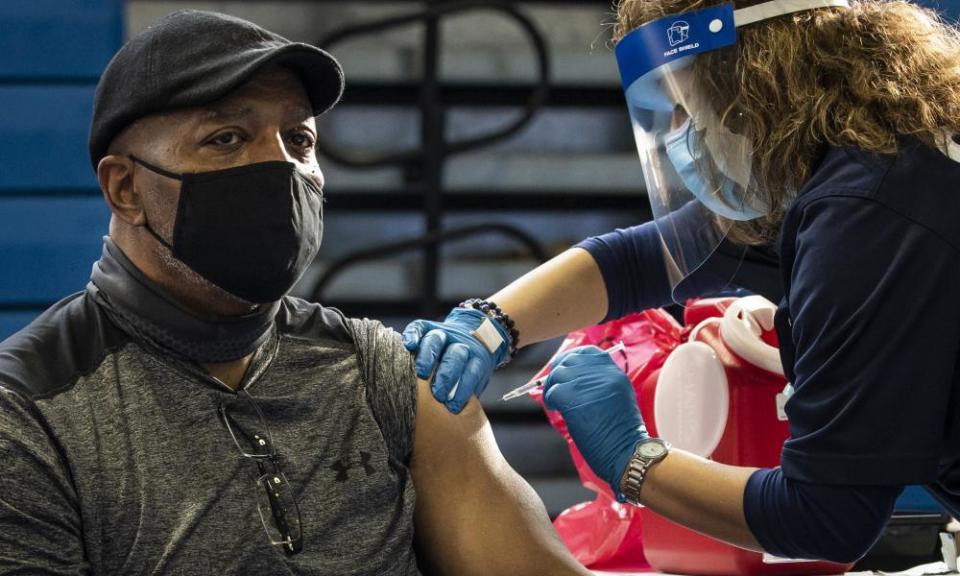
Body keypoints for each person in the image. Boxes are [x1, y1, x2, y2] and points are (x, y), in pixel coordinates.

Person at [0, 10, 594, 576]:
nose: (281, 167)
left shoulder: (381, 371)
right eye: (227, 138)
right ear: (125, 188)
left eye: (300, 140)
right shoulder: (29, 413)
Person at [404, 0, 960, 564]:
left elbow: (823, 516)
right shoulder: (889, 148)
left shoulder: (864, 214)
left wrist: (633, 460)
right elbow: (641, 259)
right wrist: (490, 323)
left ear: (750, 80)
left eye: (682, 107)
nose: (679, 136)